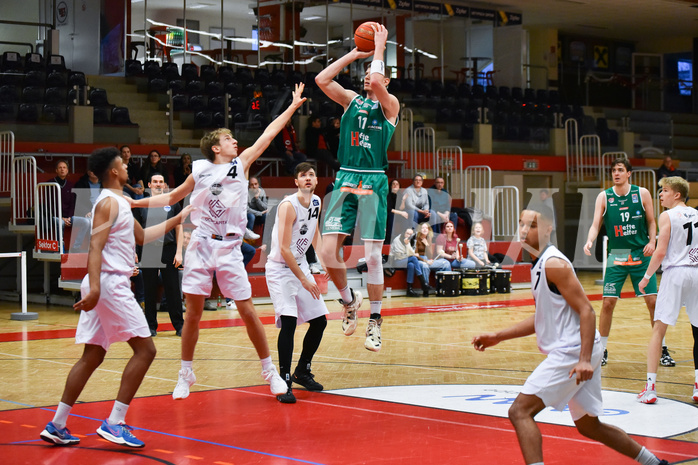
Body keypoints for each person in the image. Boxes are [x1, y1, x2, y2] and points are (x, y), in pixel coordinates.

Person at [129, 82, 307, 400]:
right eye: (228, 139)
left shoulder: (241, 164)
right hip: (200, 244)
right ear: (215, 147)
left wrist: (292, 107)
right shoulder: (198, 171)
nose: (235, 141)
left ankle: (270, 373)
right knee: (193, 314)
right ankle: (186, 373)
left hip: (229, 248)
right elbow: (170, 196)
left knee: (248, 311)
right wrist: (134, 203)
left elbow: (267, 134)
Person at [472, 205, 669, 465]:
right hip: (580, 348)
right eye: (521, 223)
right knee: (590, 426)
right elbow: (543, 316)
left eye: (531, 225)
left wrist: (584, 359)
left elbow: (587, 311)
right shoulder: (539, 263)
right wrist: (498, 336)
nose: (523, 230)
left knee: (520, 411)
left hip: (574, 350)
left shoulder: (553, 263)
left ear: (547, 229)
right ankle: (655, 463)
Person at [39, 147, 191, 448]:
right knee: (146, 350)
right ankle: (115, 422)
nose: (127, 168)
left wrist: (178, 219)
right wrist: (95, 287)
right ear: (113, 172)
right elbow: (94, 247)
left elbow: (142, 237)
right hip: (109, 284)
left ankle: (57, 424)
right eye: (123, 164)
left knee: (93, 355)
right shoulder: (108, 202)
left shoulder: (120, 202)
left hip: (106, 284)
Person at [315, 23, 400, 352]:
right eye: (364, 72)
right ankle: (349, 300)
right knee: (326, 252)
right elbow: (322, 80)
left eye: (374, 72)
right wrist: (356, 52)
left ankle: (375, 321)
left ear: (386, 81)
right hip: (346, 178)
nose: (368, 76)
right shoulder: (351, 101)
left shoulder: (390, 106)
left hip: (374, 180)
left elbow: (378, 80)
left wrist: (380, 46)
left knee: (373, 257)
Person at [583, 157, 675, 367]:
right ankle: (602, 349)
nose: (616, 173)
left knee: (652, 303)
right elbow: (596, 224)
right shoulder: (604, 197)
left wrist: (653, 241)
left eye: (620, 170)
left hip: (641, 253)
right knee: (608, 303)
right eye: (614, 170)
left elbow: (652, 222)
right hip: (618, 253)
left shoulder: (641, 193)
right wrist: (590, 240)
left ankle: (662, 349)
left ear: (628, 173)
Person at [266, 162, 329, 403]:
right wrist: (303, 279)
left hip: (300, 265)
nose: (308, 178)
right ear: (296, 182)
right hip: (280, 269)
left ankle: (302, 370)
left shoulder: (316, 202)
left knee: (320, 321)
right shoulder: (287, 206)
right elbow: (283, 248)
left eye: (312, 174)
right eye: (303, 175)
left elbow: (314, 232)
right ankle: (283, 381)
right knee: (289, 323)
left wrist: (324, 262)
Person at [636, 177, 698, 404]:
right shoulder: (697, 214)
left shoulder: (667, 215)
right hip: (697, 272)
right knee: (697, 331)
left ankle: (650, 388)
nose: (661, 194)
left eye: (665, 191)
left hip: (676, 273)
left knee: (658, 329)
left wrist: (646, 277)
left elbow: (660, 252)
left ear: (677, 194)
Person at [136, 172, 185, 338]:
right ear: (149, 185)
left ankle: (179, 326)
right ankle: (150, 326)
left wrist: (179, 252)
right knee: (149, 290)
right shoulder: (142, 204)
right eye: (155, 182)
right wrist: (133, 252)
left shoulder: (172, 203)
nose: (158, 184)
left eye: (161, 182)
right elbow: (134, 230)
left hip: (169, 249)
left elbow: (179, 227)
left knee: (173, 290)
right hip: (149, 248)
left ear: (164, 185)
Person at [51, 159, 90, 253]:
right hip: (56, 216)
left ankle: (76, 247)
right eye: (60, 168)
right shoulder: (50, 184)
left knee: (86, 222)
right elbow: (50, 205)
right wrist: (62, 218)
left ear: (67, 170)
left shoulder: (70, 185)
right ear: (56, 170)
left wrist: (69, 217)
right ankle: (59, 246)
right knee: (60, 222)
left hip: (68, 217)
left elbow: (73, 204)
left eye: (64, 168)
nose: (62, 169)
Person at [388, 227, 429, 297]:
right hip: (397, 261)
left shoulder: (412, 240)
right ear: (404, 233)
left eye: (411, 234)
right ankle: (423, 282)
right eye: (407, 233)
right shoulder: (397, 240)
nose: (409, 235)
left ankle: (409, 289)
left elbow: (411, 253)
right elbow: (400, 256)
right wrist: (411, 253)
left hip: (406, 260)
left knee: (411, 265)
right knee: (413, 258)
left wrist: (408, 246)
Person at [414, 221, 451, 287]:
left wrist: (427, 245)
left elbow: (430, 255)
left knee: (446, 263)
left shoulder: (429, 238)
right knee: (425, 266)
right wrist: (426, 261)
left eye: (426, 228)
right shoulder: (416, 238)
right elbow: (416, 255)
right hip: (419, 260)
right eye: (423, 228)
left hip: (428, 260)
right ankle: (426, 287)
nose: (425, 229)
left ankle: (446, 287)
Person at [72, 169, 102, 250]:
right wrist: (87, 211)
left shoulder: (105, 184)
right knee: (91, 221)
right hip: (88, 212)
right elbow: (77, 202)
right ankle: (92, 248)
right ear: (88, 172)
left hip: (101, 211)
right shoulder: (81, 184)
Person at [386, 179, 409, 244]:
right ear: (390, 186)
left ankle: (404, 238)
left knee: (406, 216)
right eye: (393, 184)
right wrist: (401, 213)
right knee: (392, 215)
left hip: (397, 214)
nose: (395, 185)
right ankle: (390, 239)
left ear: (399, 187)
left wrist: (403, 200)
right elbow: (388, 209)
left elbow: (401, 208)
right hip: (388, 214)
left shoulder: (400, 195)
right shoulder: (387, 195)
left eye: (397, 184)